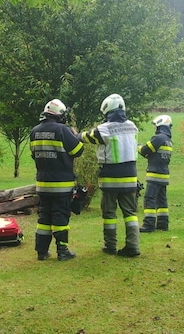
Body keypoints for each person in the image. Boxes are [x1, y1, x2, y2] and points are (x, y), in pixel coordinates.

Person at [78, 94, 141, 257]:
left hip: (110, 177)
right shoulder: (132, 126)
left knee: (109, 213)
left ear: (107, 111)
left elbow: (86, 137)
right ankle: (133, 246)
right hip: (130, 176)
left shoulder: (104, 129)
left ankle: (110, 246)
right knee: (130, 214)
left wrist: (75, 134)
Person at [30, 99, 84, 261]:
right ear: (60, 115)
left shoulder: (34, 131)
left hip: (42, 184)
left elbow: (34, 154)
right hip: (61, 184)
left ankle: (42, 252)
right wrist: (75, 136)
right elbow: (78, 151)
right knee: (60, 216)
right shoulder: (62, 130)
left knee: (44, 217)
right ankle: (62, 251)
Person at [138, 115, 173, 232]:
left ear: (160, 125)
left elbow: (144, 151)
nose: (155, 128)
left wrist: (136, 146)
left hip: (155, 175)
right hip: (164, 175)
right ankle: (163, 224)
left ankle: (149, 225)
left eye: (155, 126)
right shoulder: (168, 140)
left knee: (149, 199)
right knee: (161, 200)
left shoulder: (158, 138)